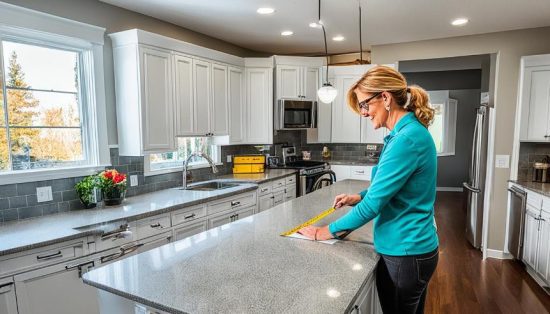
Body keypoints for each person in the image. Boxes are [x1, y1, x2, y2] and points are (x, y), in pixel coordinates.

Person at [298, 65, 439, 314]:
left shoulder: (405, 139)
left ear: (385, 97)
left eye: (365, 105)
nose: (363, 113)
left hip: (405, 251)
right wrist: (358, 196)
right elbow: (391, 188)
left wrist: (325, 232)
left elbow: (374, 204)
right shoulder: (409, 133)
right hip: (412, 250)